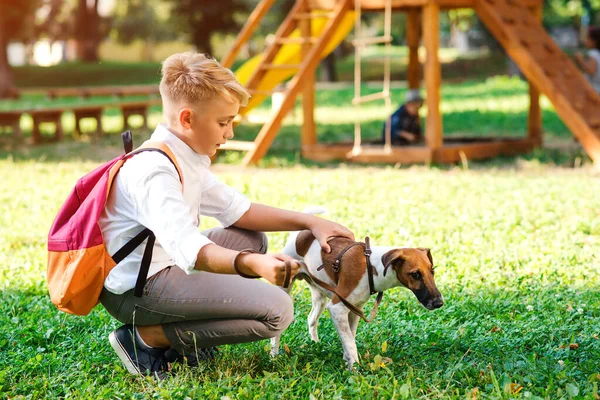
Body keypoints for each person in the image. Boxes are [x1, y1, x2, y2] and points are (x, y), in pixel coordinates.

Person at [98, 52, 354, 378]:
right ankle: (145, 338)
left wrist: (311, 221)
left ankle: (183, 331)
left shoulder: (184, 155)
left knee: (249, 237)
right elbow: (189, 249)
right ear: (187, 119)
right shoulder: (155, 171)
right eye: (223, 122)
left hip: (160, 266)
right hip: (136, 292)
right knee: (278, 310)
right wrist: (254, 265)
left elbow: (239, 211)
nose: (230, 132)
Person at [574, 26, 600, 93]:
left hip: (593, 89)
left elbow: (591, 70)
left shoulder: (593, 53)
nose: (585, 41)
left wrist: (580, 60)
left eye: (587, 39)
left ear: (594, 41)